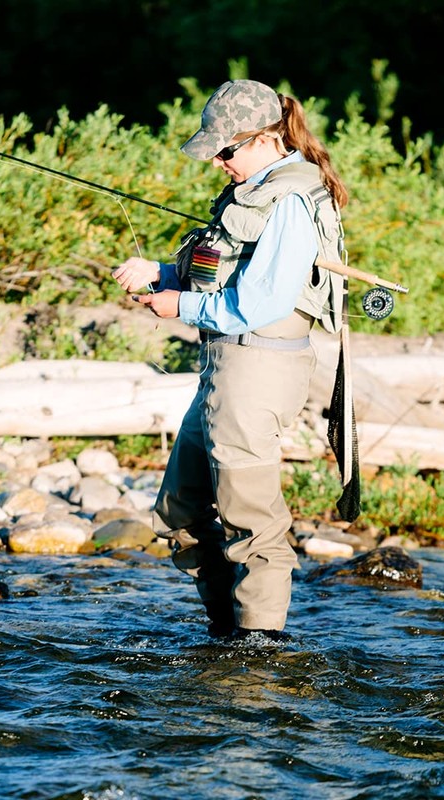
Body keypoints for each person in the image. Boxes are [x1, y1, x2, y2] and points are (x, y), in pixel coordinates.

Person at [112, 79, 349, 640]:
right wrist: (162, 275)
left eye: (225, 150)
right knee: (179, 511)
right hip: (223, 370)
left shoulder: (291, 199)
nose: (218, 162)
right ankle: (227, 634)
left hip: (258, 373)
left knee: (253, 525)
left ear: (265, 138)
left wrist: (178, 305)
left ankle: (260, 652)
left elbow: (261, 302)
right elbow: (230, 270)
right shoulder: (255, 188)